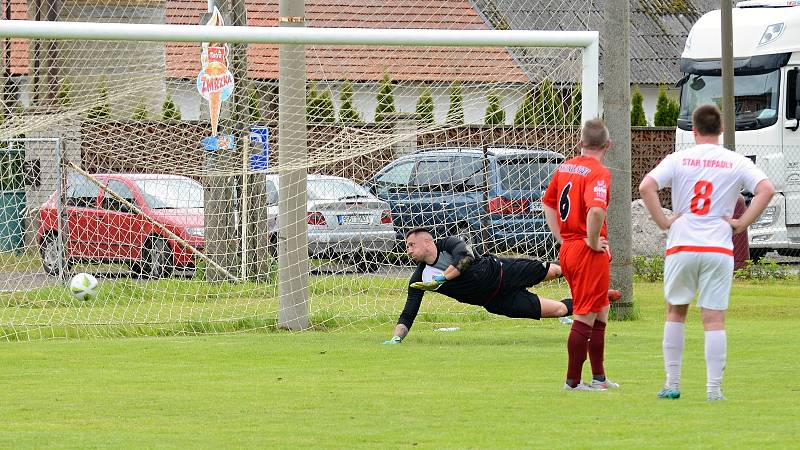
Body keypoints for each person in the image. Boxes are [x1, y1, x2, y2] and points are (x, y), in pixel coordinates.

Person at [639, 104, 774, 401]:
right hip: (717, 246)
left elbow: (646, 186)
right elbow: (766, 189)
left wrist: (663, 221)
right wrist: (741, 223)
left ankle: (672, 384)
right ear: (722, 129)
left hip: (682, 244)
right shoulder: (735, 161)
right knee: (714, 319)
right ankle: (714, 390)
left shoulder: (679, 158)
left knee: (676, 311)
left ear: (694, 130)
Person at [383, 228, 586, 344]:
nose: (407, 250)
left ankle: (589, 269)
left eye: (411, 245)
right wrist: (397, 338)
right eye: (407, 246)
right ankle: (595, 302)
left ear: (427, 243)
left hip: (503, 272)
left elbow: (465, 259)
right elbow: (409, 312)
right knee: (559, 309)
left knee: (556, 271)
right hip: (498, 301)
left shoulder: (450, 243)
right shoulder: (420, 278)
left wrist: (442, 279)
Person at [543, 117, 617, 391]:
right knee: (585, 314)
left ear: (581, 142)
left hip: (570, 247)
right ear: (608, 144)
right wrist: (594, 240)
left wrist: (562, 238)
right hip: (588, 251)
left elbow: (549, 203)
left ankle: (599, 378)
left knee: (600, 311)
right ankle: (572, 382)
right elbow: (596, 209)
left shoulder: (565, 167)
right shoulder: (599, 172)